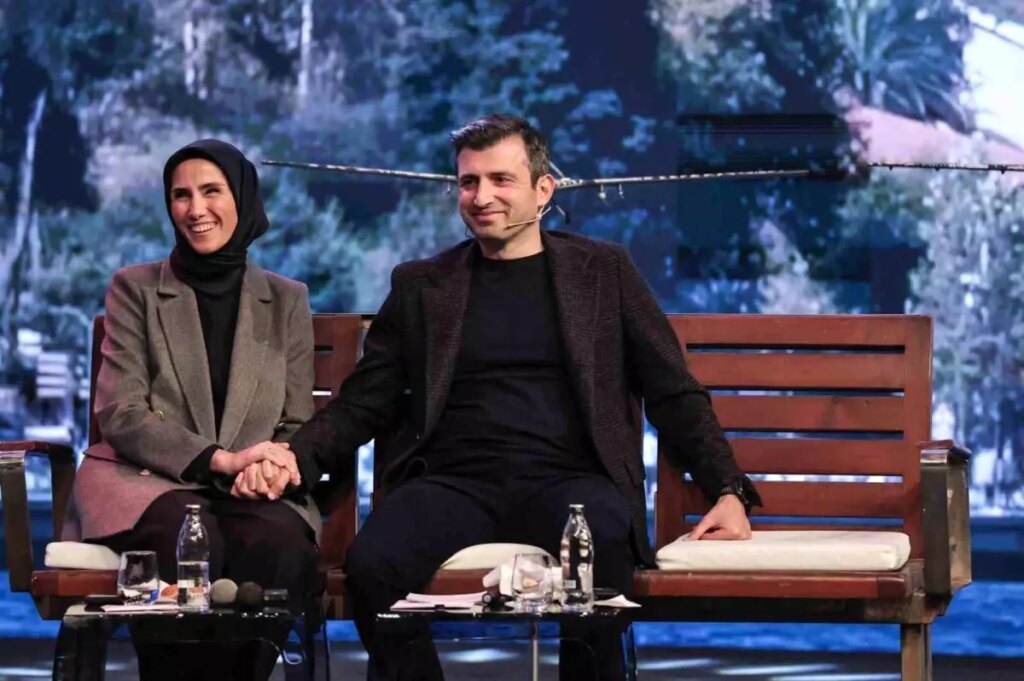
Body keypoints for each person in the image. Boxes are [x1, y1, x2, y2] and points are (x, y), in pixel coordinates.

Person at [287, 114, 762, 680]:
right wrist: (295, 458)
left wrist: (728, 488)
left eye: (500, 180)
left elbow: (672, 390)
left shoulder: (602, 272)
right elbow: (365, 400)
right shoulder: (422, 285)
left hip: (571, 483)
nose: (481, 196)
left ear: (543, 189)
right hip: (452, 483)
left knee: (602, 554)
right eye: (468, 182)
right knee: (372, 565)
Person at [62, 139, 320, 679]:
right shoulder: (135, 289)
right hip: (147, 482)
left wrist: (269, 467)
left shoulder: (286, 299)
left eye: (211, 191)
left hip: (249, 491)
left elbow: (295, 423)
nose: (195, 209)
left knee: (279, 543)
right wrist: (220, 459)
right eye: (181, 195)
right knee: (186, 535)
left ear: (242, 198)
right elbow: (122, 412)